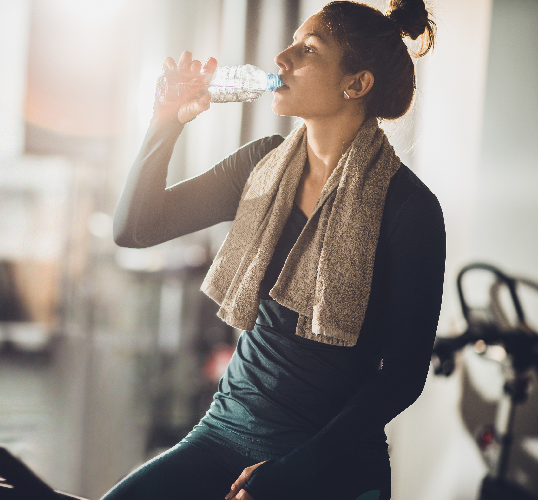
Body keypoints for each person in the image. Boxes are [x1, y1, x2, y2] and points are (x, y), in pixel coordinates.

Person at [109, 1, 444, 499]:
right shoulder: (262, 164)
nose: (282, 58)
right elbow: (135, 228)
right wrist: (165, 122)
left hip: (329, 464)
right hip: (223, 431)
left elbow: (403, 377)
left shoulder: (409, 208)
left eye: (308, 49)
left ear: (356, 84)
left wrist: (296, 471)